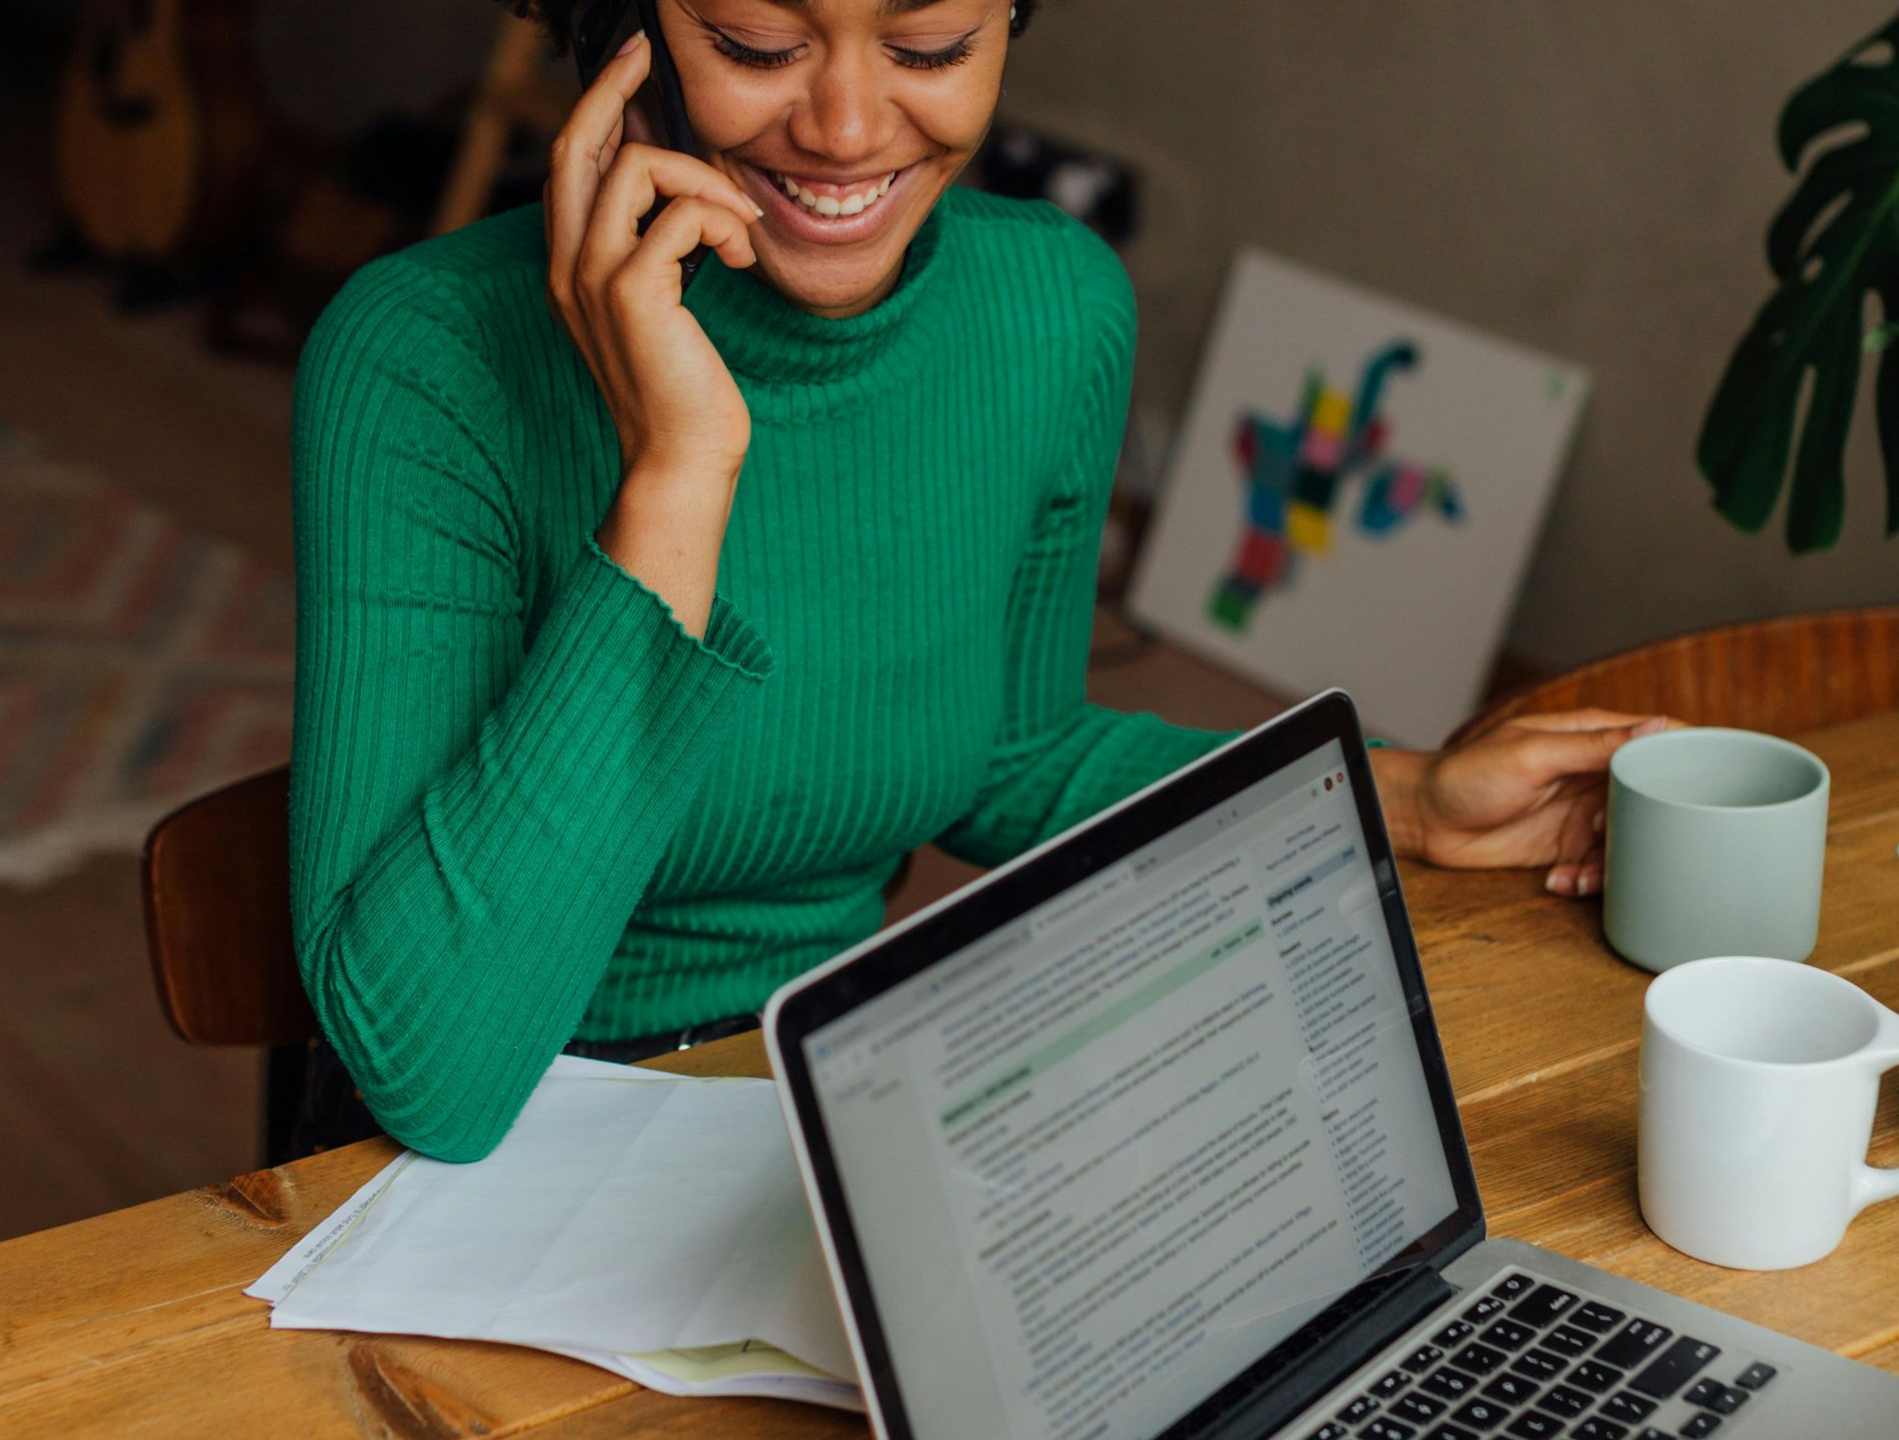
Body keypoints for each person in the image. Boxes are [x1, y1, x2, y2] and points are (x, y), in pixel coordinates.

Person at [285, 0, 1667, 1163]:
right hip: (471, 1150)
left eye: (933, 45)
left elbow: (1004, 749)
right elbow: (434, 1079)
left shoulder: (1050, 306)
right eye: (757, 45)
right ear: (625, 32)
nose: (842, 128)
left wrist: (1409, 795)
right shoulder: (423, 360)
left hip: (813, 1095)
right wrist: (676, 478)